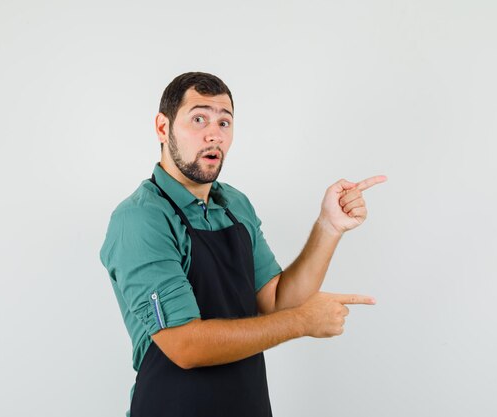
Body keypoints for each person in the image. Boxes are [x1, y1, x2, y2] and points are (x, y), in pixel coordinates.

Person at [99, 71, 387, 417]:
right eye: (199, 118)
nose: (213, 134)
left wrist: (328, 227)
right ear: (163, 128)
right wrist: (302, 322)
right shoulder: (141, 219)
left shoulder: (235, 205)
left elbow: (278, 300)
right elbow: (184, 345)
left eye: (224, 122)